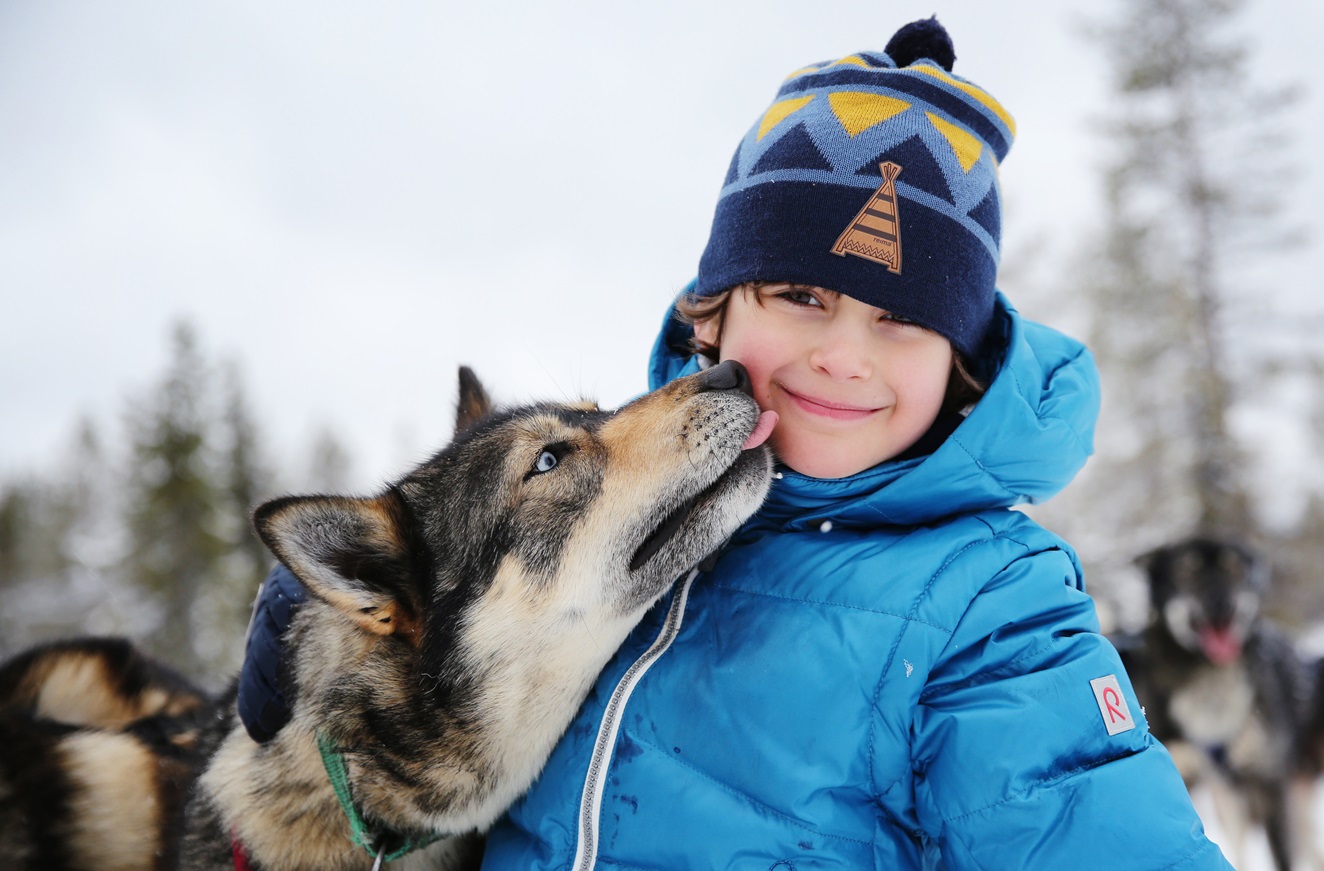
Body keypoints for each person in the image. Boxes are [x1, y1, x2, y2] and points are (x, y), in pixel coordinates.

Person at [239, 17, 1229, 869]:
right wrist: (365, 607)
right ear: (709, 317)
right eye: (801, 296)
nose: (843, 355)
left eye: (900, 321)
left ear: (958, 362)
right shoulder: (642, 494)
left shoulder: (991, 608)